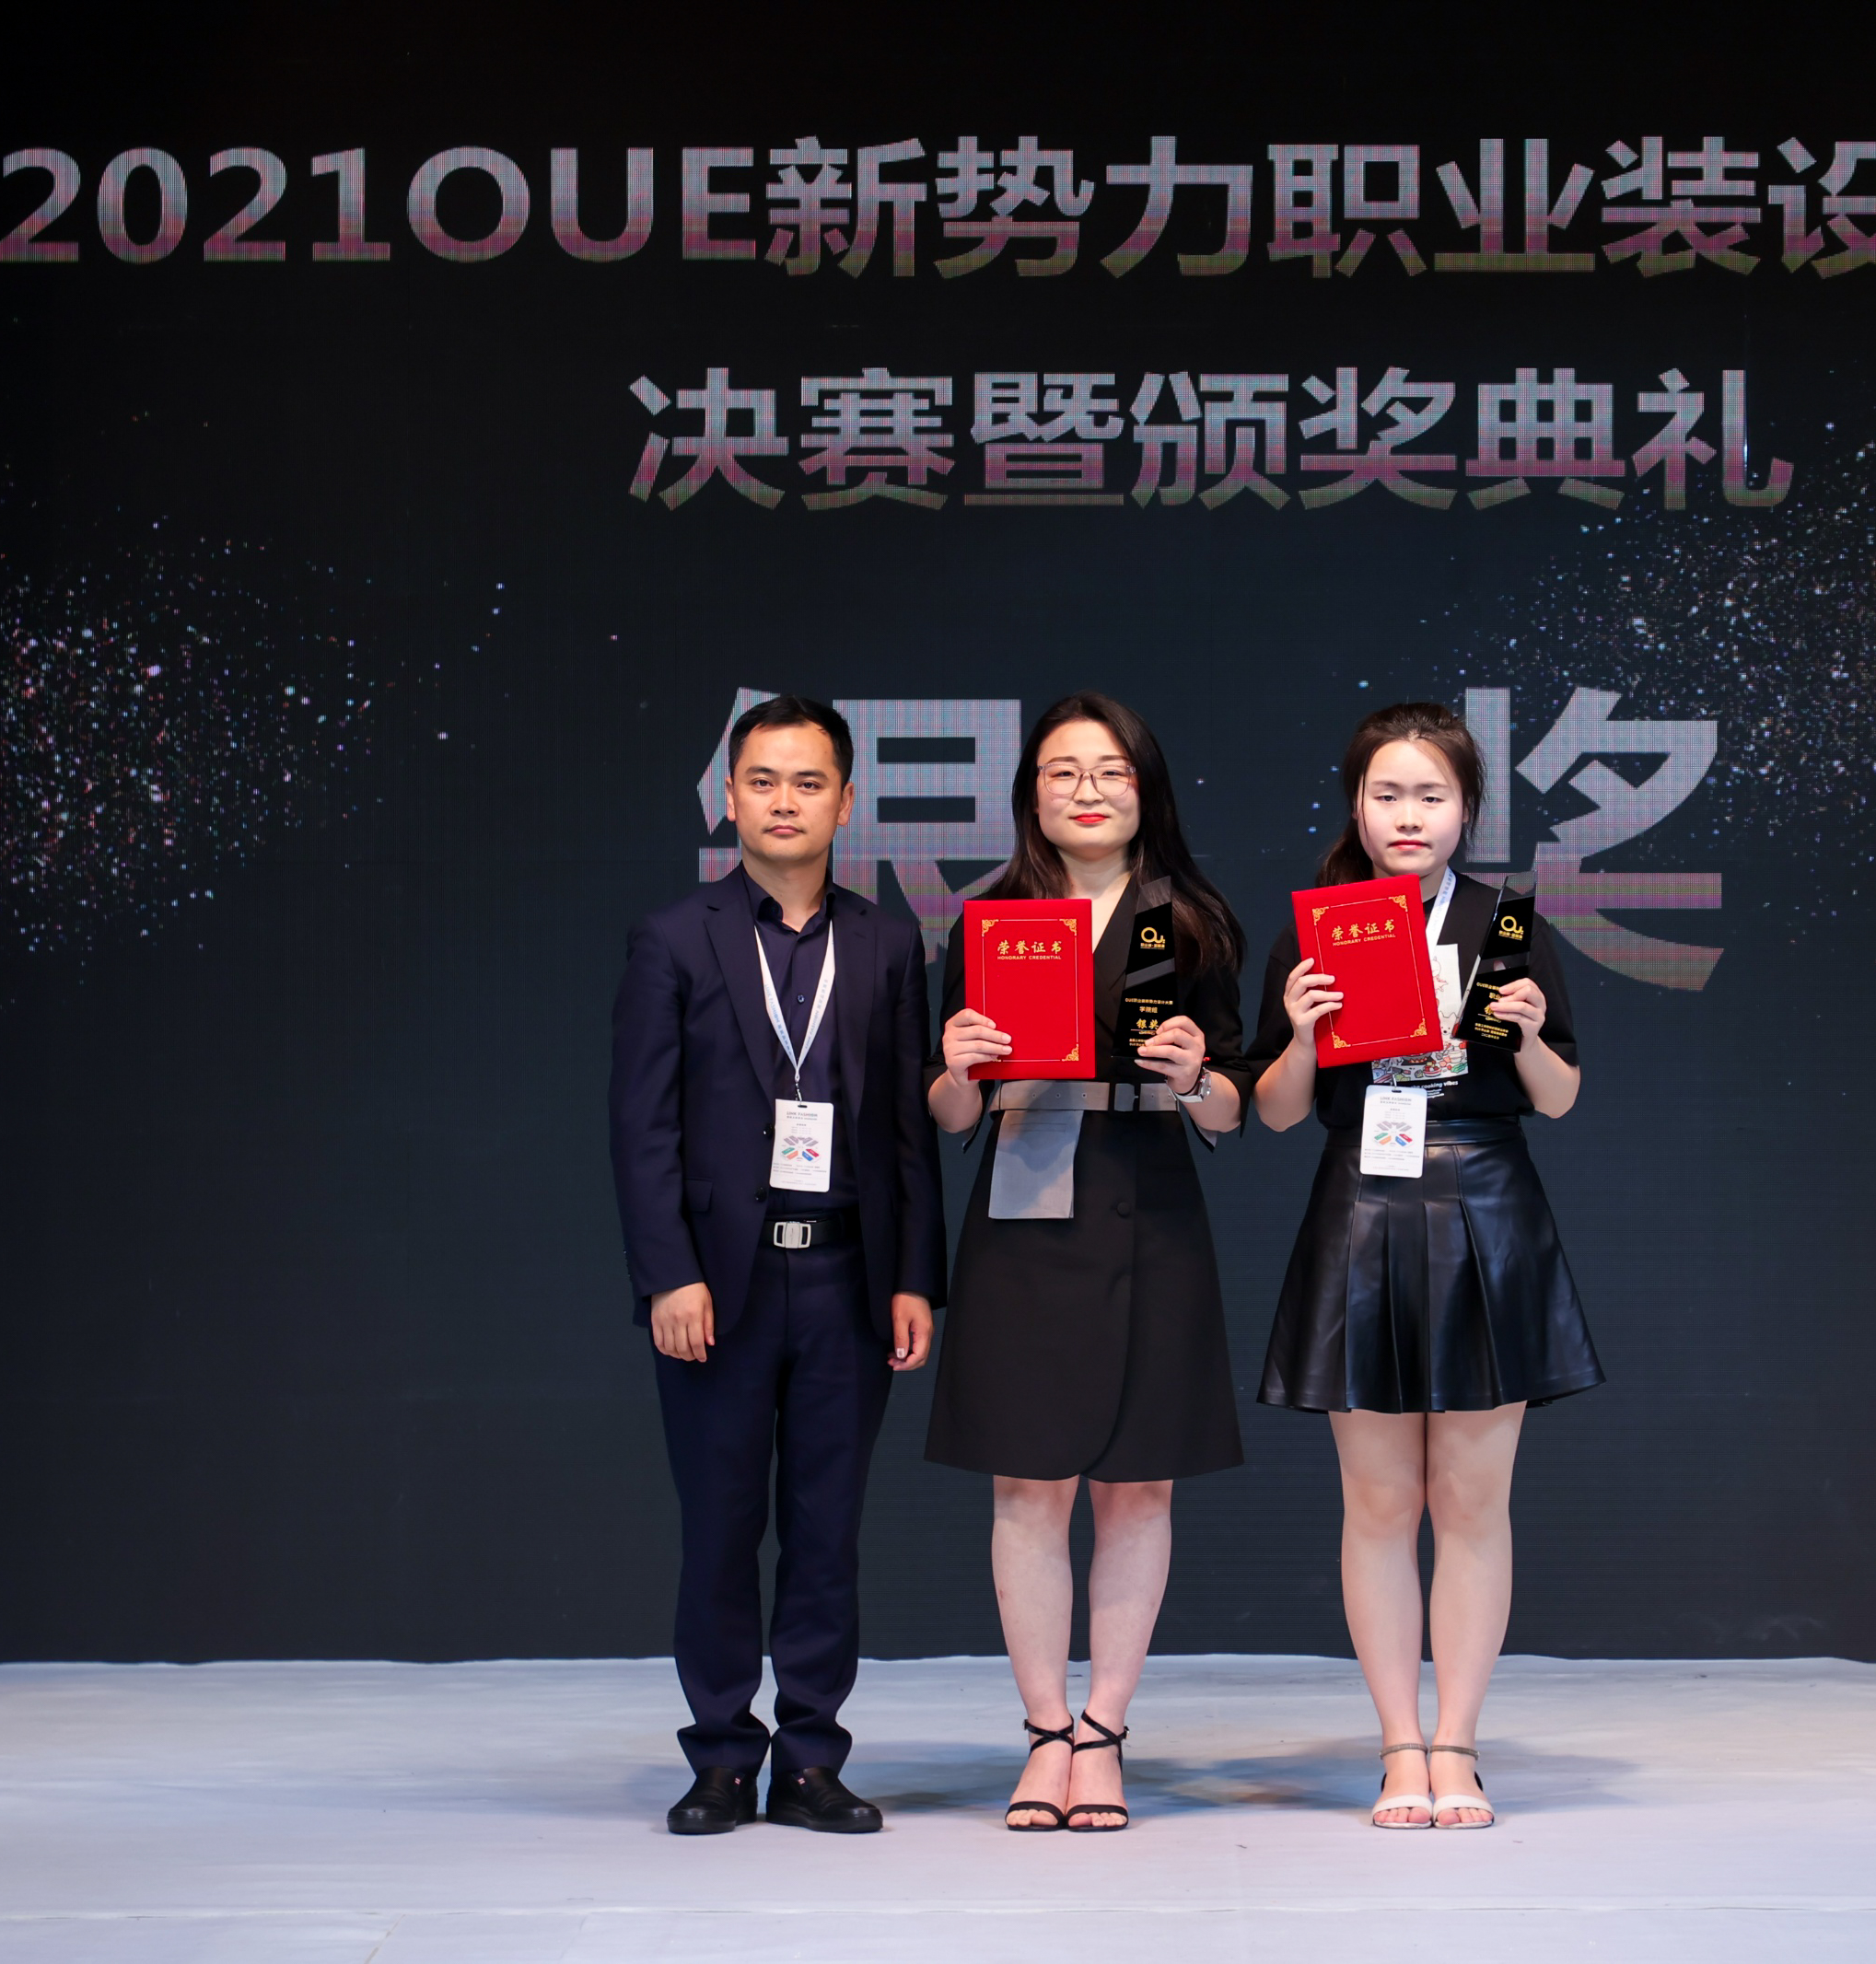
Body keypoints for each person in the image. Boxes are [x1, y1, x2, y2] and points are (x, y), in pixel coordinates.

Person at [1248, 701, 1602, 1830]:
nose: (1408, 816)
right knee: (1380, 1501)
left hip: (1486, 1205)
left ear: (1465, 810)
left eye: (1431, 796)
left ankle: (1458, 1744)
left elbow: (1559, 1097)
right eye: (1387, 794)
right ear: (1355, 805)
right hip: (1361, 1205)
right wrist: (1300, 1032)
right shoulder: (1318, 929)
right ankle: (1399, 1745)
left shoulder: (1509, 925)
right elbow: (1274, 1113)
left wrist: (1529, 1033)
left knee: (1471, 1500)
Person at [608, 694, 944, 1837]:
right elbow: (640, 1126)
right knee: (718, 1527)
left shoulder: (889, 942)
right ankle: (718, 1756)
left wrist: (914, 1277)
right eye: (762, 780)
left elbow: (904, 1130)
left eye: (808, 783)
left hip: (847, 1279)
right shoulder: (673, 938)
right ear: (728, 798)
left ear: (847, 801)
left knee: (825, 1531)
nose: (784, 802)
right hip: (719, 1286)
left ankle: (808, 1758)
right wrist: (668, 1273)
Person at [924, 692, 1254, 1832]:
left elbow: (1232, 1108)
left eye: (1110, 770)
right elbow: (947, 1110)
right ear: (1031, 794)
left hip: (1149, 1207)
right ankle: (1042, 1732)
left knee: (1137, 1485)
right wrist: (957, 1066)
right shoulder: (989, 919)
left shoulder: (1192, 920)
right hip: (1025, 1209)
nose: (1087, 791)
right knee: (1027, 1485)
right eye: (1062, 771)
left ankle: (1104, 1731)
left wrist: (1196, 1075)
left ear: (1144, 788)